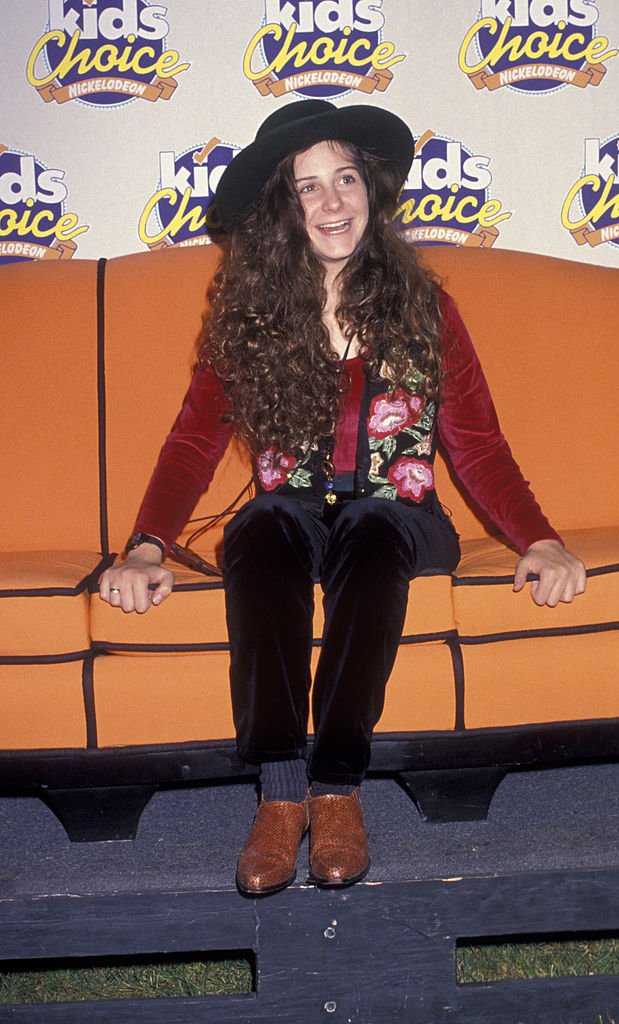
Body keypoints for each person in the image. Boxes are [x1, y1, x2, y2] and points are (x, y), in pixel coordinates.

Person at [99, 100, 586, 896]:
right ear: (280, 211)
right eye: (307, 188)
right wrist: (147, 545)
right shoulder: (250, 317)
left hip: (402, 521)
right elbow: (193, 441)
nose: (331, 204)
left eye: (346, 179)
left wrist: (540, 538)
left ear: (371, 189)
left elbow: (479, 444)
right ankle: (281, 796)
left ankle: (336, 789)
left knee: (368, 519)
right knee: (259, 523)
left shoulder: (426, 308)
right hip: (291, 519)